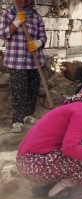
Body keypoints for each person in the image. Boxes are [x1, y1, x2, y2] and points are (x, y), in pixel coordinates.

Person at [0, 0, 47, 133]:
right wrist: (16, 22)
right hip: (16, 60)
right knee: (18, 90)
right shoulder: (8, 13)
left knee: (33, 89)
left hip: (34, 60)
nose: (21, 1)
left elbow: (43, 37)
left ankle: (28, 115)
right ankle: (17, 120)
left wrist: (38, 43)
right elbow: (2, 34)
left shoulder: (36, 16)